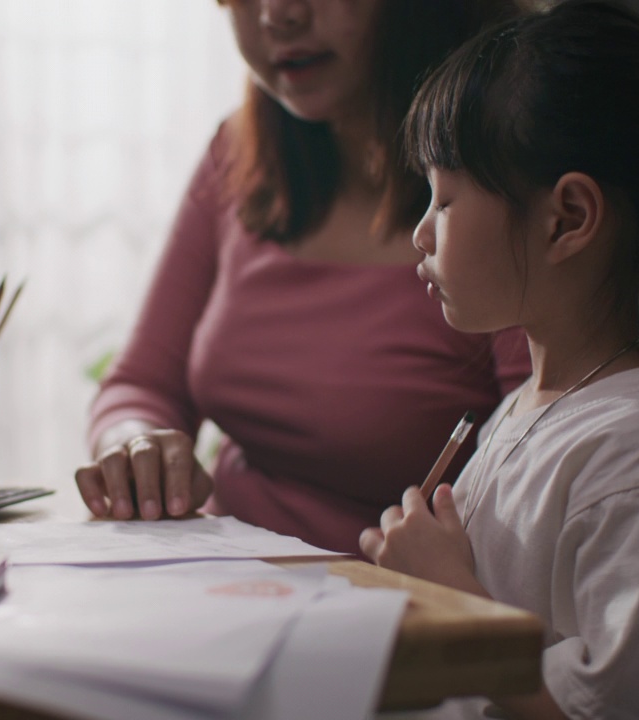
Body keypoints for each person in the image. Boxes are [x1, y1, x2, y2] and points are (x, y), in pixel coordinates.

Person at [357, 0, 639, 715]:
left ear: (568, 219)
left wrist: (452, 599)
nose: (420, 234)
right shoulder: (530, 405)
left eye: (446, 199)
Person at [75, 0, 528, 554]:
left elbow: (545, 456)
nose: (278, 15)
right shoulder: (238, 152)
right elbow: (143, 384)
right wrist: (135, 443)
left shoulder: (508, 173)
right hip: (218, 578)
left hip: (395, 609)